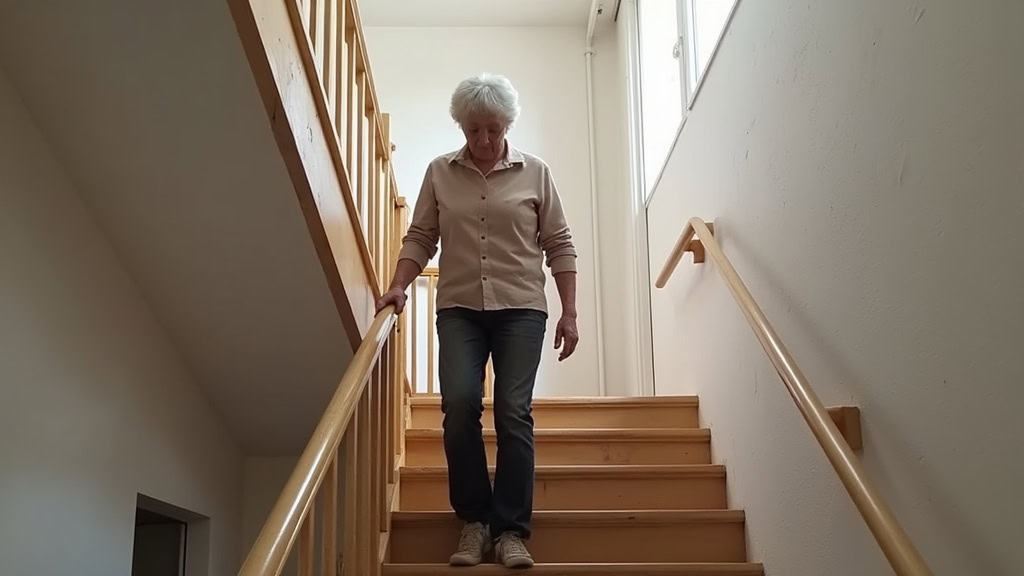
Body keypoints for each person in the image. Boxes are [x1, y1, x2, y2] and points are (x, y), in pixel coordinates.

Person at [376, 73, 580, 568]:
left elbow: (559, 243)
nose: (484, 140)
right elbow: (421, 235)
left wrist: (570, 312)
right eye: (473, 130)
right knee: (460, 403)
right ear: (461, 126)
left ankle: (510, 530)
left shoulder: (536, 173)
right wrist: (399, 284)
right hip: (460, 308)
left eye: (493, 129)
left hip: (522, 308)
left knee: (513, 411)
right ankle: (474, 521)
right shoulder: (439, 172)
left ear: (507, 124)